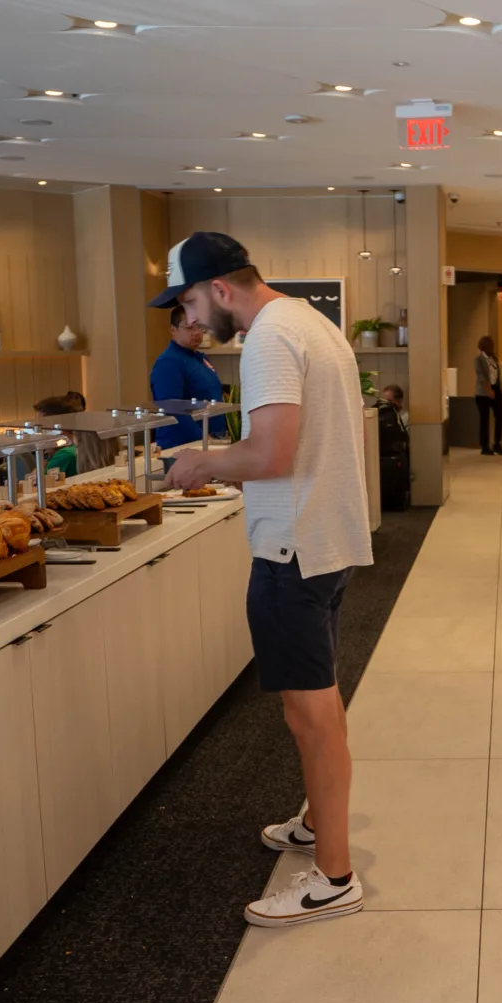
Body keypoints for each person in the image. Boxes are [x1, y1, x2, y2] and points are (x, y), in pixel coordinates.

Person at [155, 231, 372, 929]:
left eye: (190, 301)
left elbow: (273, 453)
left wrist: (202, 463)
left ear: (220, 287)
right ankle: (316, 821)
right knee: (317, 700)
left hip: (291, 549)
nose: (191, 318)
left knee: (311, 714)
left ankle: (334, 878)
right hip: (324, 539)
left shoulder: (269, 338)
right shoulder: (309, 321)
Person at [149, 309, 228, 449]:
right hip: (184, 446)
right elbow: (173, 409)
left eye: (200, 326)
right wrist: (204, 439)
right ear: (173, 330)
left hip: (212, 441)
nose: (197, 332)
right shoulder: (168, 362)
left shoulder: (200, 358)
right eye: (190, 327)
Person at [473, 334, 502, 455]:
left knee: (500, 415)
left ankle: (497, 443)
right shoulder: (478, 360)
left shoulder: (493, 359)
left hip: (496, 388)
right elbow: (481, 376)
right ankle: (484, 446)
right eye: (490, 344)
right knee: (484, 419)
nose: (492, 346)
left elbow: (497, 376)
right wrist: (488, 390)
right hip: (483, 393)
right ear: (485, 346)